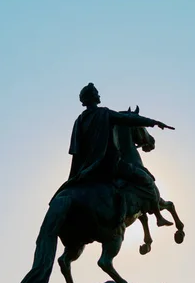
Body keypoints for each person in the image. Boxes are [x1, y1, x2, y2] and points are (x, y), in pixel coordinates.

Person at [52, 82, 174, 226]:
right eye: (97, 93)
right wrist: (153, 122)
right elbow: (129, 119)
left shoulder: (79, 121)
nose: (99, 95)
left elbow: (76, 149)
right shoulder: (104, 113)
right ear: (94, 97)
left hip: (85, 170)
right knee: (146, 180)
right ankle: (158, 217)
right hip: (108, 165)